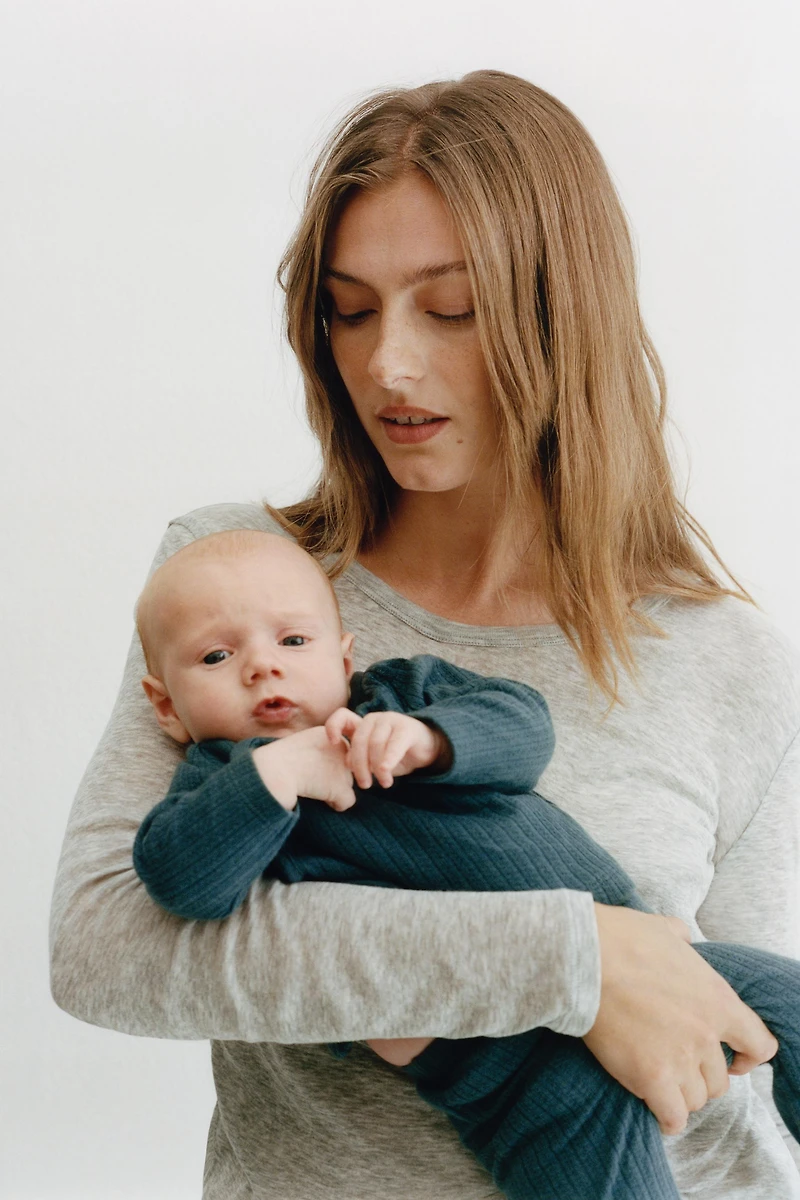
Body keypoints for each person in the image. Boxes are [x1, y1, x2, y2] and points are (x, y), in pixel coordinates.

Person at [49, 71, 800, 1199]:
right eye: (350, 309)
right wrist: (579, 962)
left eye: (449, 308)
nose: (386, 365)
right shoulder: (241, 594)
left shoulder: (720, 657)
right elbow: (108, 950)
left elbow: (731, 1049)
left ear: (563, 315)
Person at [130, 527, 800, 1200]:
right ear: (166, 706)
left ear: (344, 656)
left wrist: (432, 740)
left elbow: (524, 724)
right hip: (516, 1065)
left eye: (293, 642)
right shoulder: (218, 786)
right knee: (600, 1165)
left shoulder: (398, 696)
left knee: (789, 1000)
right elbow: (181, 881)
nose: (261, 667)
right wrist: (273, 776)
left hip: (652, 967)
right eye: (217, 656)